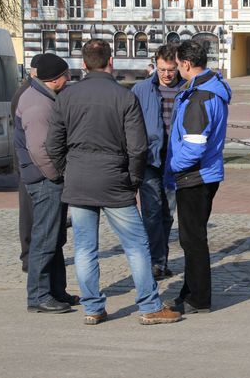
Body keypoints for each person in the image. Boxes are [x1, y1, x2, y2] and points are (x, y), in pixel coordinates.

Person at [46, 39, 181, 326]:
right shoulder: (124, 96)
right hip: (114, 180)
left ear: (83, 64)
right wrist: (133, 179)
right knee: (136, 245)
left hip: (80, 179)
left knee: (84, 248)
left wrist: (67, 170)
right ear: (111, 62)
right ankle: (148, 304)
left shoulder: (67, 97)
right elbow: (137, 147)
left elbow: (53, 144)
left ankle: (93, 307)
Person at [163, 40, 231, 314]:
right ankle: (189, 291)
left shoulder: (200, 97)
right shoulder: (208, 89)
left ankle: (198, 298)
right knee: (192, 239)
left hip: (194, 176)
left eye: (178, 65)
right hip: (204, 173)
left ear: (186, 64)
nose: (176, 70)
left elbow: (193, 145)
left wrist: (172, 167)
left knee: (193, 240)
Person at [14, 53, 77, 313]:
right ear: (55, 79)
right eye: (66, 74)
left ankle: (56, 291)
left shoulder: (40, 97)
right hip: (44, 180)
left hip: (44, 178)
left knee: (54, 238)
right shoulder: (39, 105)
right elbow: (41, 150)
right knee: (45, 239)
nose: (69, 78)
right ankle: (39, 296)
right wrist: (57, 175)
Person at [131, 44, 185, 281]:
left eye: (171, 69)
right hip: (150, 159)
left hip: (175, 161)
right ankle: (155, 262)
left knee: (167, 213)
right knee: (152, 212)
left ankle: (160, 259)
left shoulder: (186, 89)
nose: (166, 74)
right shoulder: (142, 89)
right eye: (162, 69)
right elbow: (131, 123)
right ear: (156, 65)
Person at [11, 53, 42, 273]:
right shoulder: (28, 93)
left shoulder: (24, 90)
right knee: (29, 212)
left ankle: (29, 255)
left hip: (25, 160)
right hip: (28, 162)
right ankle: (28, 256)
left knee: (29, 211)